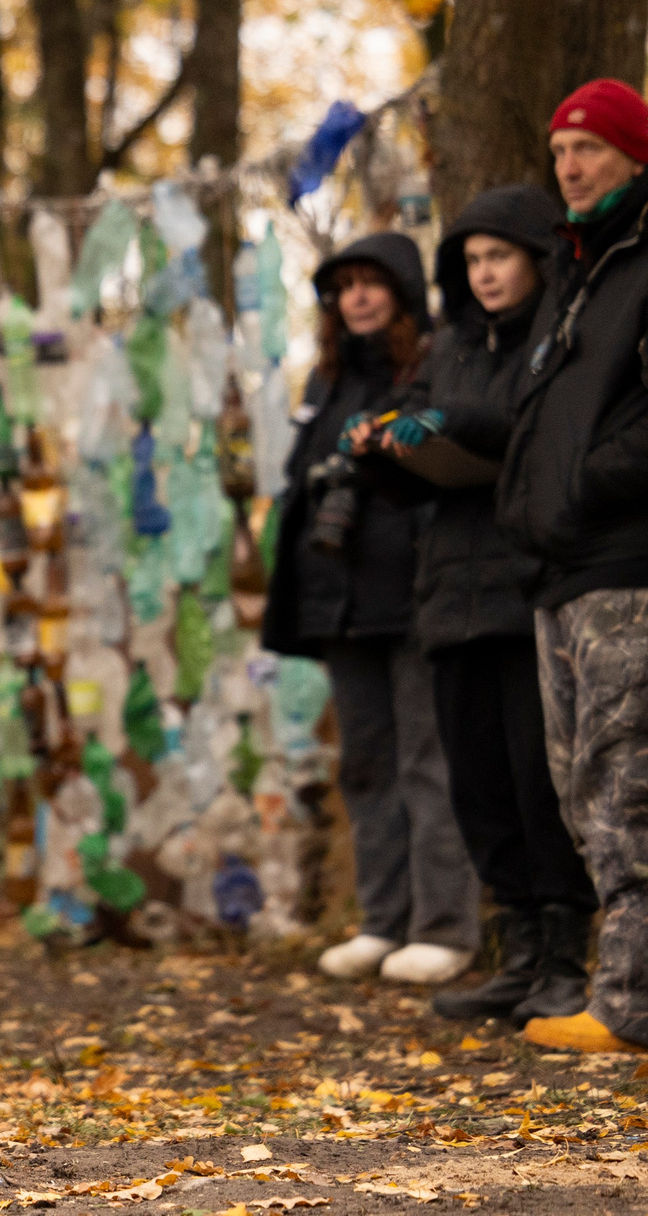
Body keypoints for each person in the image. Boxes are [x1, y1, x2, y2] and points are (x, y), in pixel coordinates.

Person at [352, 186, 596, 1022]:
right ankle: (519, 951)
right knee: (479, 787)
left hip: (526, 590)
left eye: (499, 256)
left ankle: (566, 955)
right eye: (472, 261)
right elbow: (423, 442)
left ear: (535, 257)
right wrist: (380, 446)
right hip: (447, 599)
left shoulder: (557, 339)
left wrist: (451, 419)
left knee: (540, 783)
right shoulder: (449, 345)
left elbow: (524, 428)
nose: (485, 274)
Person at [261, 232, 481, 984]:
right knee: (365, 765)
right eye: (344, 285)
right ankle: (383, 922)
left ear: (403, 293)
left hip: (416, 594)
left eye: (372, 283)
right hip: (340, 600)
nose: (356, 296)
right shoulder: (325, 383)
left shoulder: (432, 364)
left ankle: (445, 926)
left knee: (428, 761)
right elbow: (302, 486)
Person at [495, 78, 648, 1053]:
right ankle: (621, 982)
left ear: (633, 155)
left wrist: (581, 486)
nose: (569, 166)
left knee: (627, 778)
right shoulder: (576, 274)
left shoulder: (641, 260)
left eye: (588, 148)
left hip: (626, 565)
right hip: (558, 568)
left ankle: (631, 1003)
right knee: (578, 787)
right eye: (558, 151)